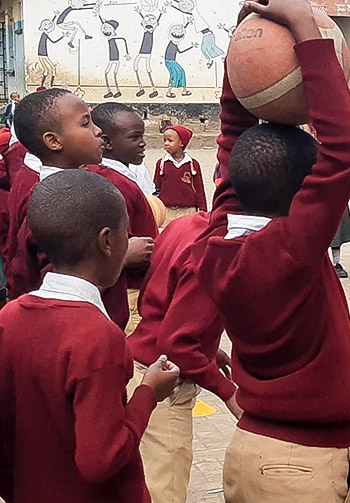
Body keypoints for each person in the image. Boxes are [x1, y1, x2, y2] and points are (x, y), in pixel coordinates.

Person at [198, 0, 350, 503]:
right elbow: (347, 149)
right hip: (302, 466)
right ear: (306, 198)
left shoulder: (218, 240)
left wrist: (242, 54)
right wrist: (307, 33)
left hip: (246, 457)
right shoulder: (294, 250)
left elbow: (229, 143)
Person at [0, 170, 180, 503]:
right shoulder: (95, 335)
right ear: (107, 241)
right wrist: (148, 394)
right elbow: (100, 459)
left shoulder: (11, 317)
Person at [127, 209, 237, 503]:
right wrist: (229, 394)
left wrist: (209, 346)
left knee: (159, 493)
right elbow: (179, 343)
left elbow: (170, 306)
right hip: (164, 381)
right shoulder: (220, 250)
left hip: (142, 359)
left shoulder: (187, 224)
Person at [8, 91, 155, 328]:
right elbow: (54, 290)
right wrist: (124, 256)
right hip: (75, 330)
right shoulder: (56, 203)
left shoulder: (88, 184)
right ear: (54, 141)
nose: (98, 131)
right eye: (86, 124)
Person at [91, 102, 164, 333]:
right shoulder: (114, 183)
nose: (143, 143)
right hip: (129, 288)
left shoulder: (127, 173)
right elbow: (124, 246)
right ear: (107, 142)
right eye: (134, 137)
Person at [153, 124, 207, 223]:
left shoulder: (193, 164)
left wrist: (203, 212)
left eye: (170, 141)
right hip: (167, 211)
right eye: (165, 140)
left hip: (188, 211)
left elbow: (199, 189)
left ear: (181, 143)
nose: (166, 144)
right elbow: (156, 188)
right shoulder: (161, 164)